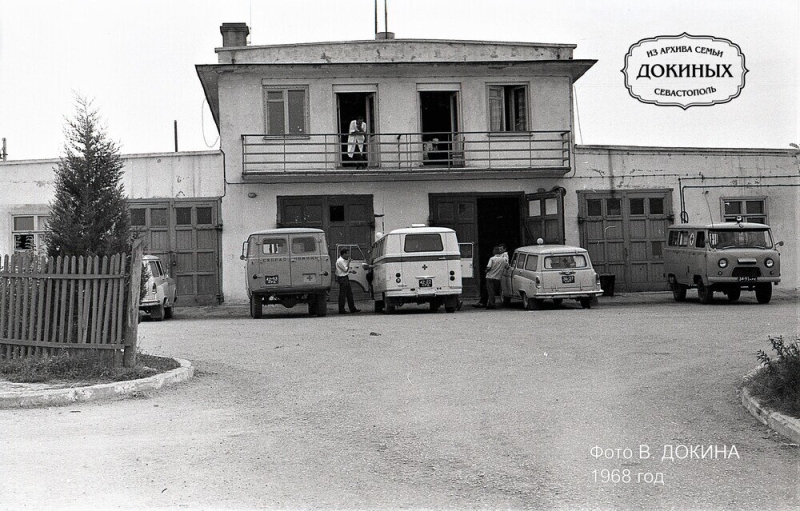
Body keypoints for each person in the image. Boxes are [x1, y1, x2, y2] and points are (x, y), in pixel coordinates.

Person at [335, 247, 360, 313]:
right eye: (347, 253)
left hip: (345, 277)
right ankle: (341, 309)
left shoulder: (342, 260)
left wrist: (350, 271)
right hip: (342, 278)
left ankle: (352, 308)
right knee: (343, 294)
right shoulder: (340, 261)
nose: (348, 255)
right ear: (343, 254)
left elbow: (345, 270)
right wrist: (349, 262)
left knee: (349, 294)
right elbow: (345, 269)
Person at [485, 245, 508, 309]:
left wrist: (486, 271)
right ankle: (491, 303)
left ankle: (492, 304)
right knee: (494, 291)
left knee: (490, 291)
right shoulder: (503, 260)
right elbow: (507, 267)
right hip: (498, 278)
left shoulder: (492, 259)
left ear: (494, 252)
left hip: (490, 277)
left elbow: (489, 267)